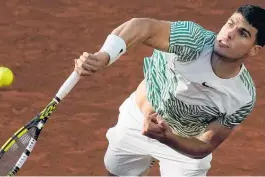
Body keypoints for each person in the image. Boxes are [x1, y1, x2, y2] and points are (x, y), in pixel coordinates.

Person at [74, 4, 265, 176]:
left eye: (243, 33)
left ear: (254, 50)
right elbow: (143, 26)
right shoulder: (194, 41)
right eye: (230, 24)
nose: (229, 33)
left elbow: (205, 145)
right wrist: (105, 56)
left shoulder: (242, 96)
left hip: (183, 145)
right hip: (136, 122)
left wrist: (168, 138)